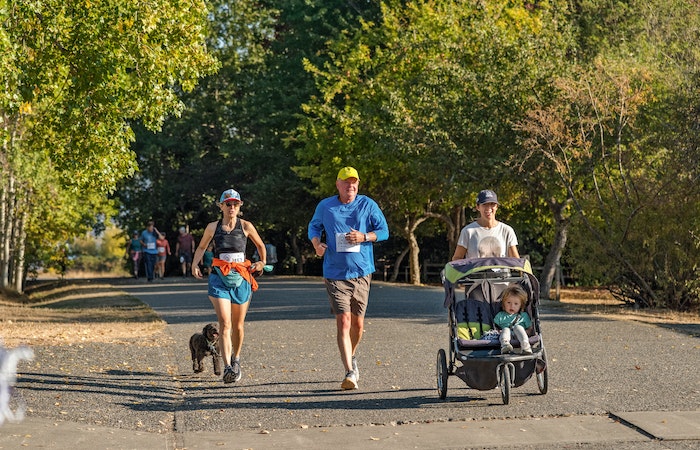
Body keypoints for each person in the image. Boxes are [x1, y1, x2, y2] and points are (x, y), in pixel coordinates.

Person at [308, 166, 389, 390]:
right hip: (334, 272)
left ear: (358, 185)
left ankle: (351, 356)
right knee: (343, 321)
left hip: (362, 271)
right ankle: (349, 371)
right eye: (346, 182)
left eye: (354, 182)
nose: (350, 186)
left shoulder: (367, 204)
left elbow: (384, 231)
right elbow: (313, 227)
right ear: (338, 184)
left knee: (358, 324)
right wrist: (316, 244)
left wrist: (364, 236)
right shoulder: (326, 206)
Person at [192, 189, 267, 384]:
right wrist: (195, 264)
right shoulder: (212, 227)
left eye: (235, 204)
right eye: (227, 204)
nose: (231, 207)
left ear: (240, 206)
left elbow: (260, 246)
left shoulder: (246, 226)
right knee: (225, 323)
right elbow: (201, 247)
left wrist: (261, 262)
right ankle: (227, 368)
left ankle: (236, 359)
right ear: (221, 206)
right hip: (219, 277)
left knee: (238, 325)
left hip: (241, 277)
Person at [451, 189, 519, 260]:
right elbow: (457, 258)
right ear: (478, 207)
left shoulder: (507, 231)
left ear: (496, 207)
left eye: (492, 204)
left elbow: (515, 259)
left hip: (502, 271)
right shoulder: (468, 232)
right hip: (476, 271)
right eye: (484, 204)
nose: (489, 208)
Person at [494, 284, 532, 354]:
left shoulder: (523, 316)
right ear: (503, 304)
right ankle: (505, 345)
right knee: (506, 329)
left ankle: (525, 346)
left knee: (518, 327)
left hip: (520, 336)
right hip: (505, 336)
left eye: (516, 304)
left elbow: (530, 329)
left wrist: (526, 332)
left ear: (521, 305)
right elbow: (494, 328)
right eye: (508, 303)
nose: (512, 306)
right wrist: (498, 331)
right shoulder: (500, 316)